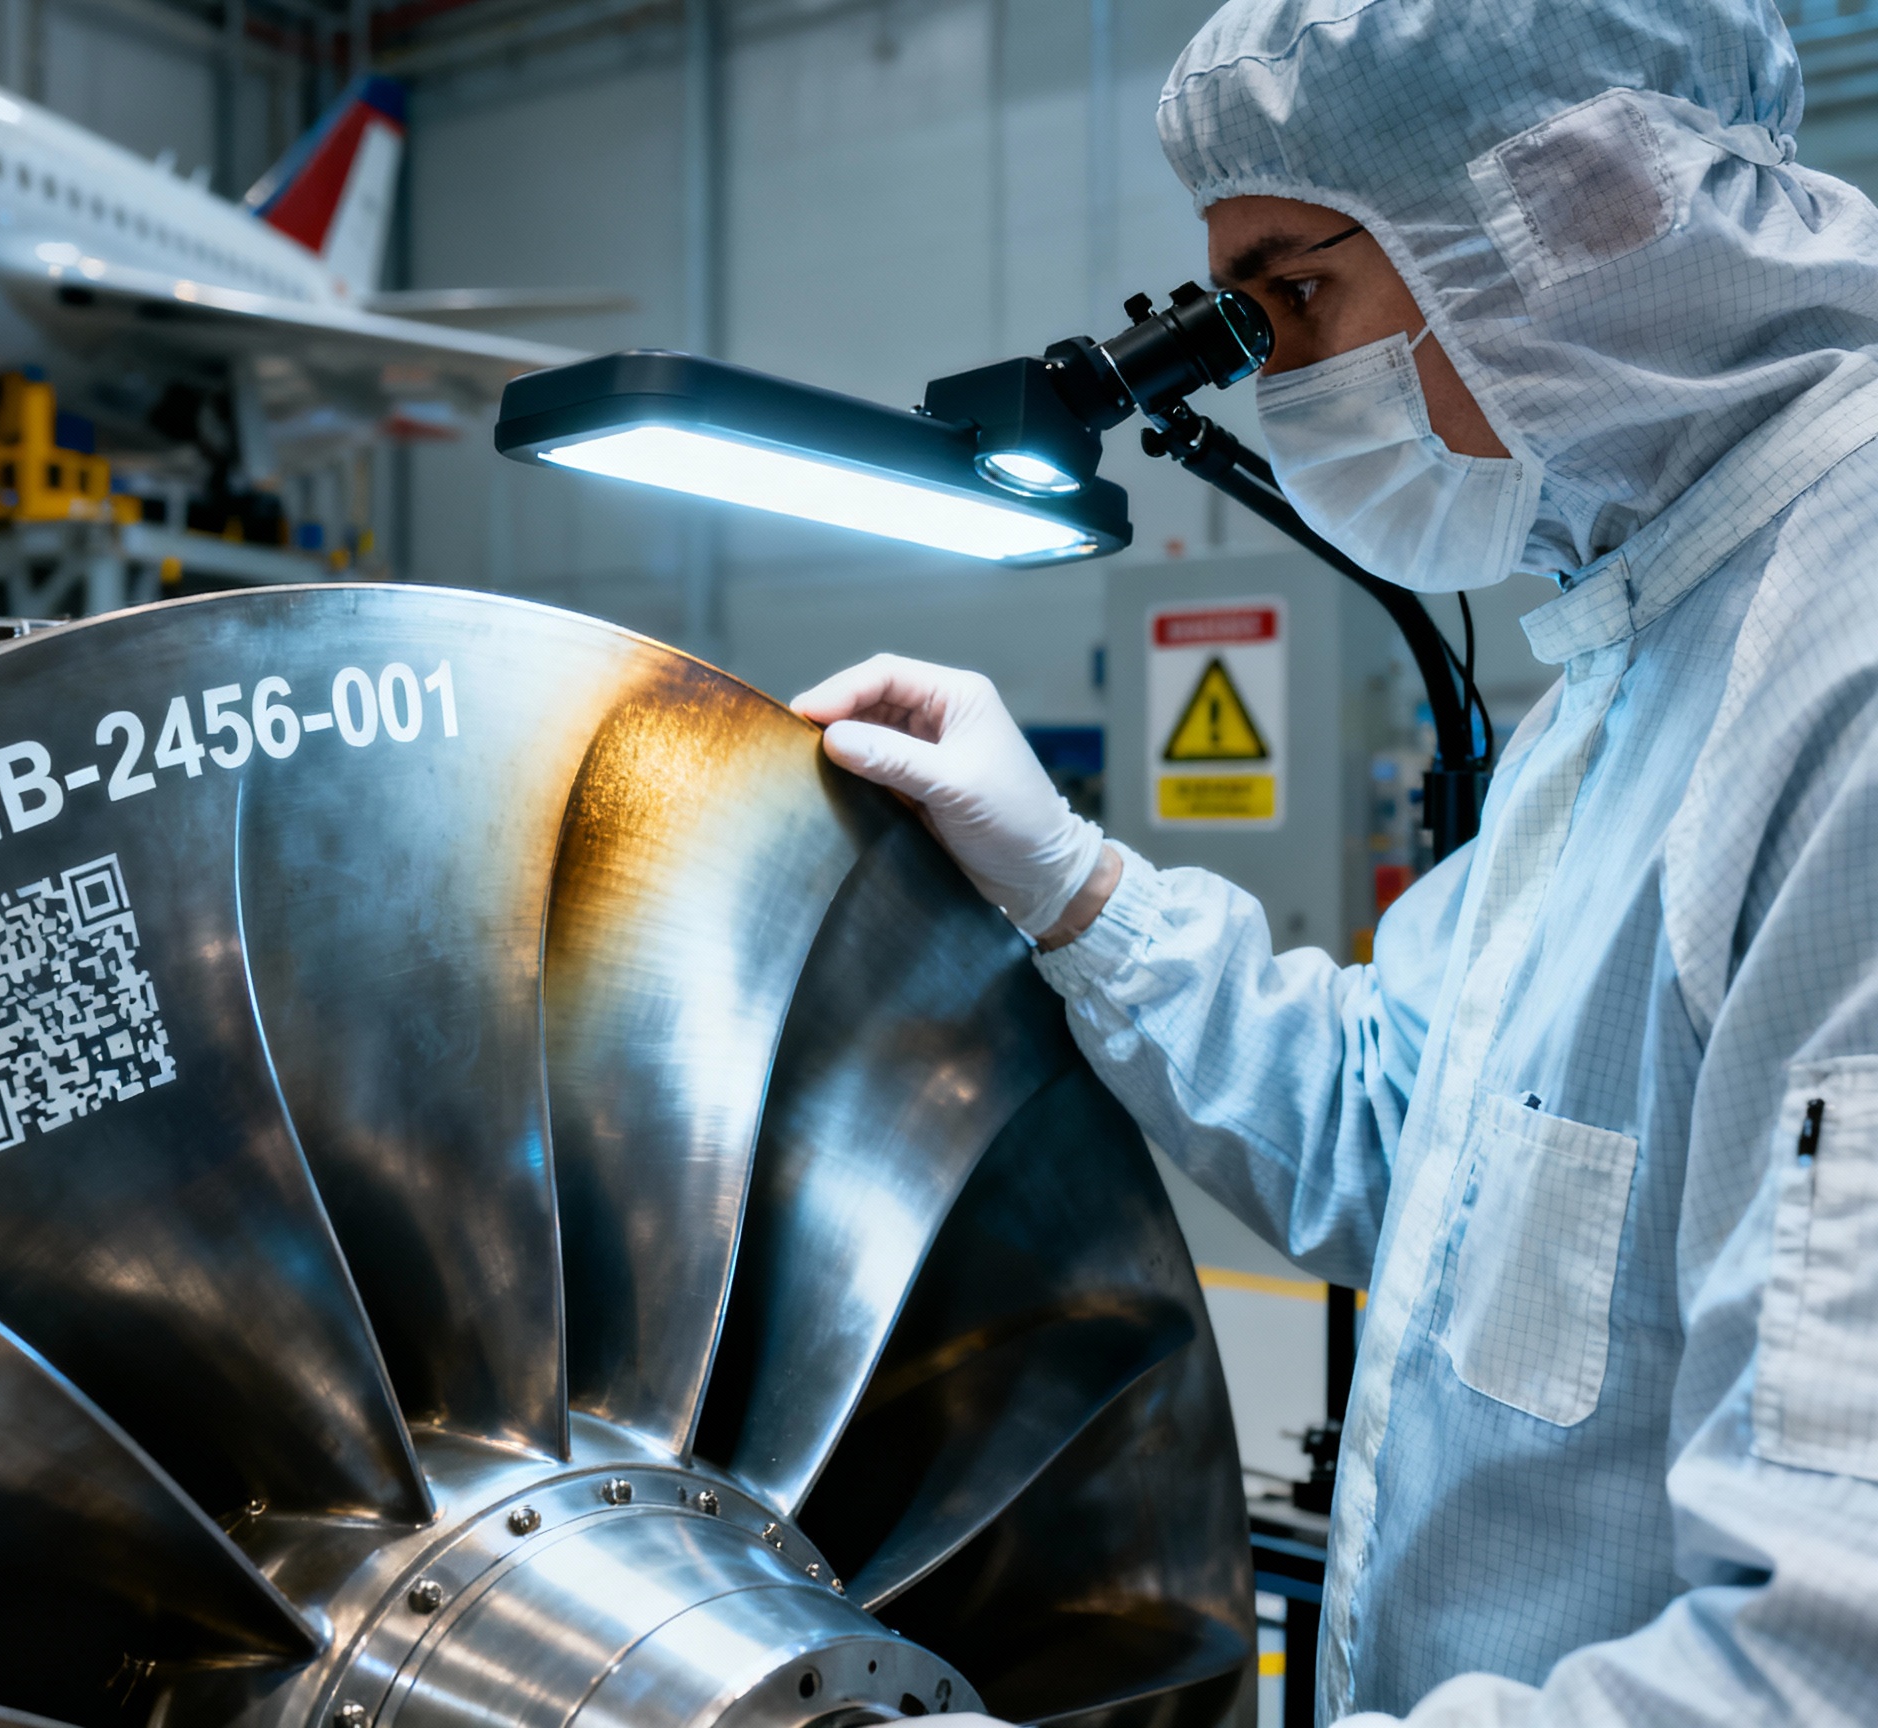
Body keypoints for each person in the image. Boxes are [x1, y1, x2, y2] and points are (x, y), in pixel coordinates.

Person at [791, 1, 1878, 1722]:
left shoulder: (1848, 670)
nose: (1284, 390)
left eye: (1298, 297)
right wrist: (1072, 882)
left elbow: (1825, 1653)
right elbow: (1414, 1138)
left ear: (1586, 216)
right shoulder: (1638, 659)